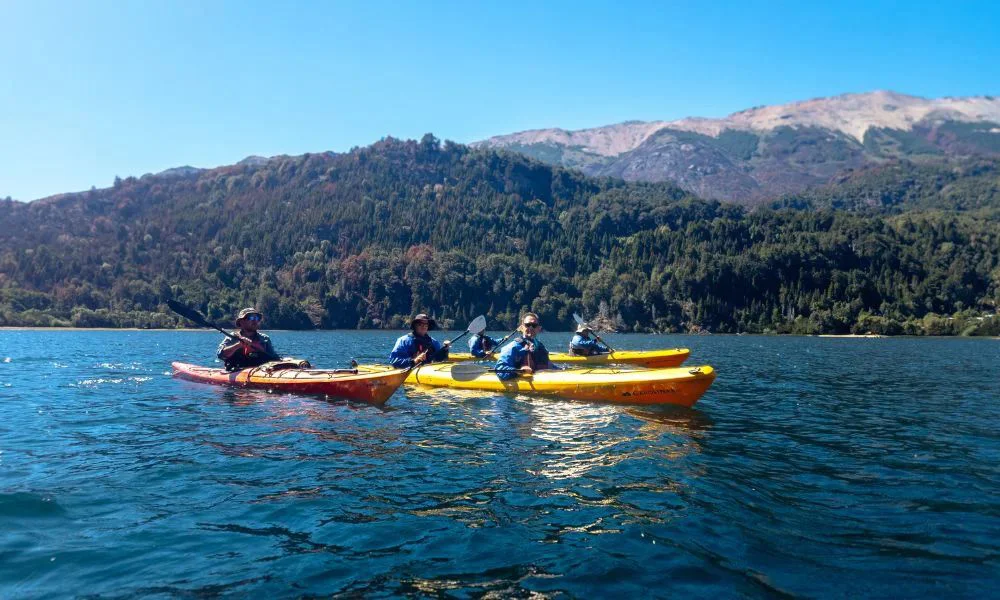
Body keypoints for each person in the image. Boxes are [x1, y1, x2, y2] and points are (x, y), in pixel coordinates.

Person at [495, 312, 559, 380]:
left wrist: (561, 370)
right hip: (521, 380)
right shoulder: (512, 347)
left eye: (534, 325)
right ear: (521, 327)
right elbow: (500, 369)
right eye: (527, 325)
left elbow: (549, 365)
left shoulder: (540, 346)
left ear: (538, 328)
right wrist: (519, 371)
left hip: (540, 377)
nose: (531, 328)